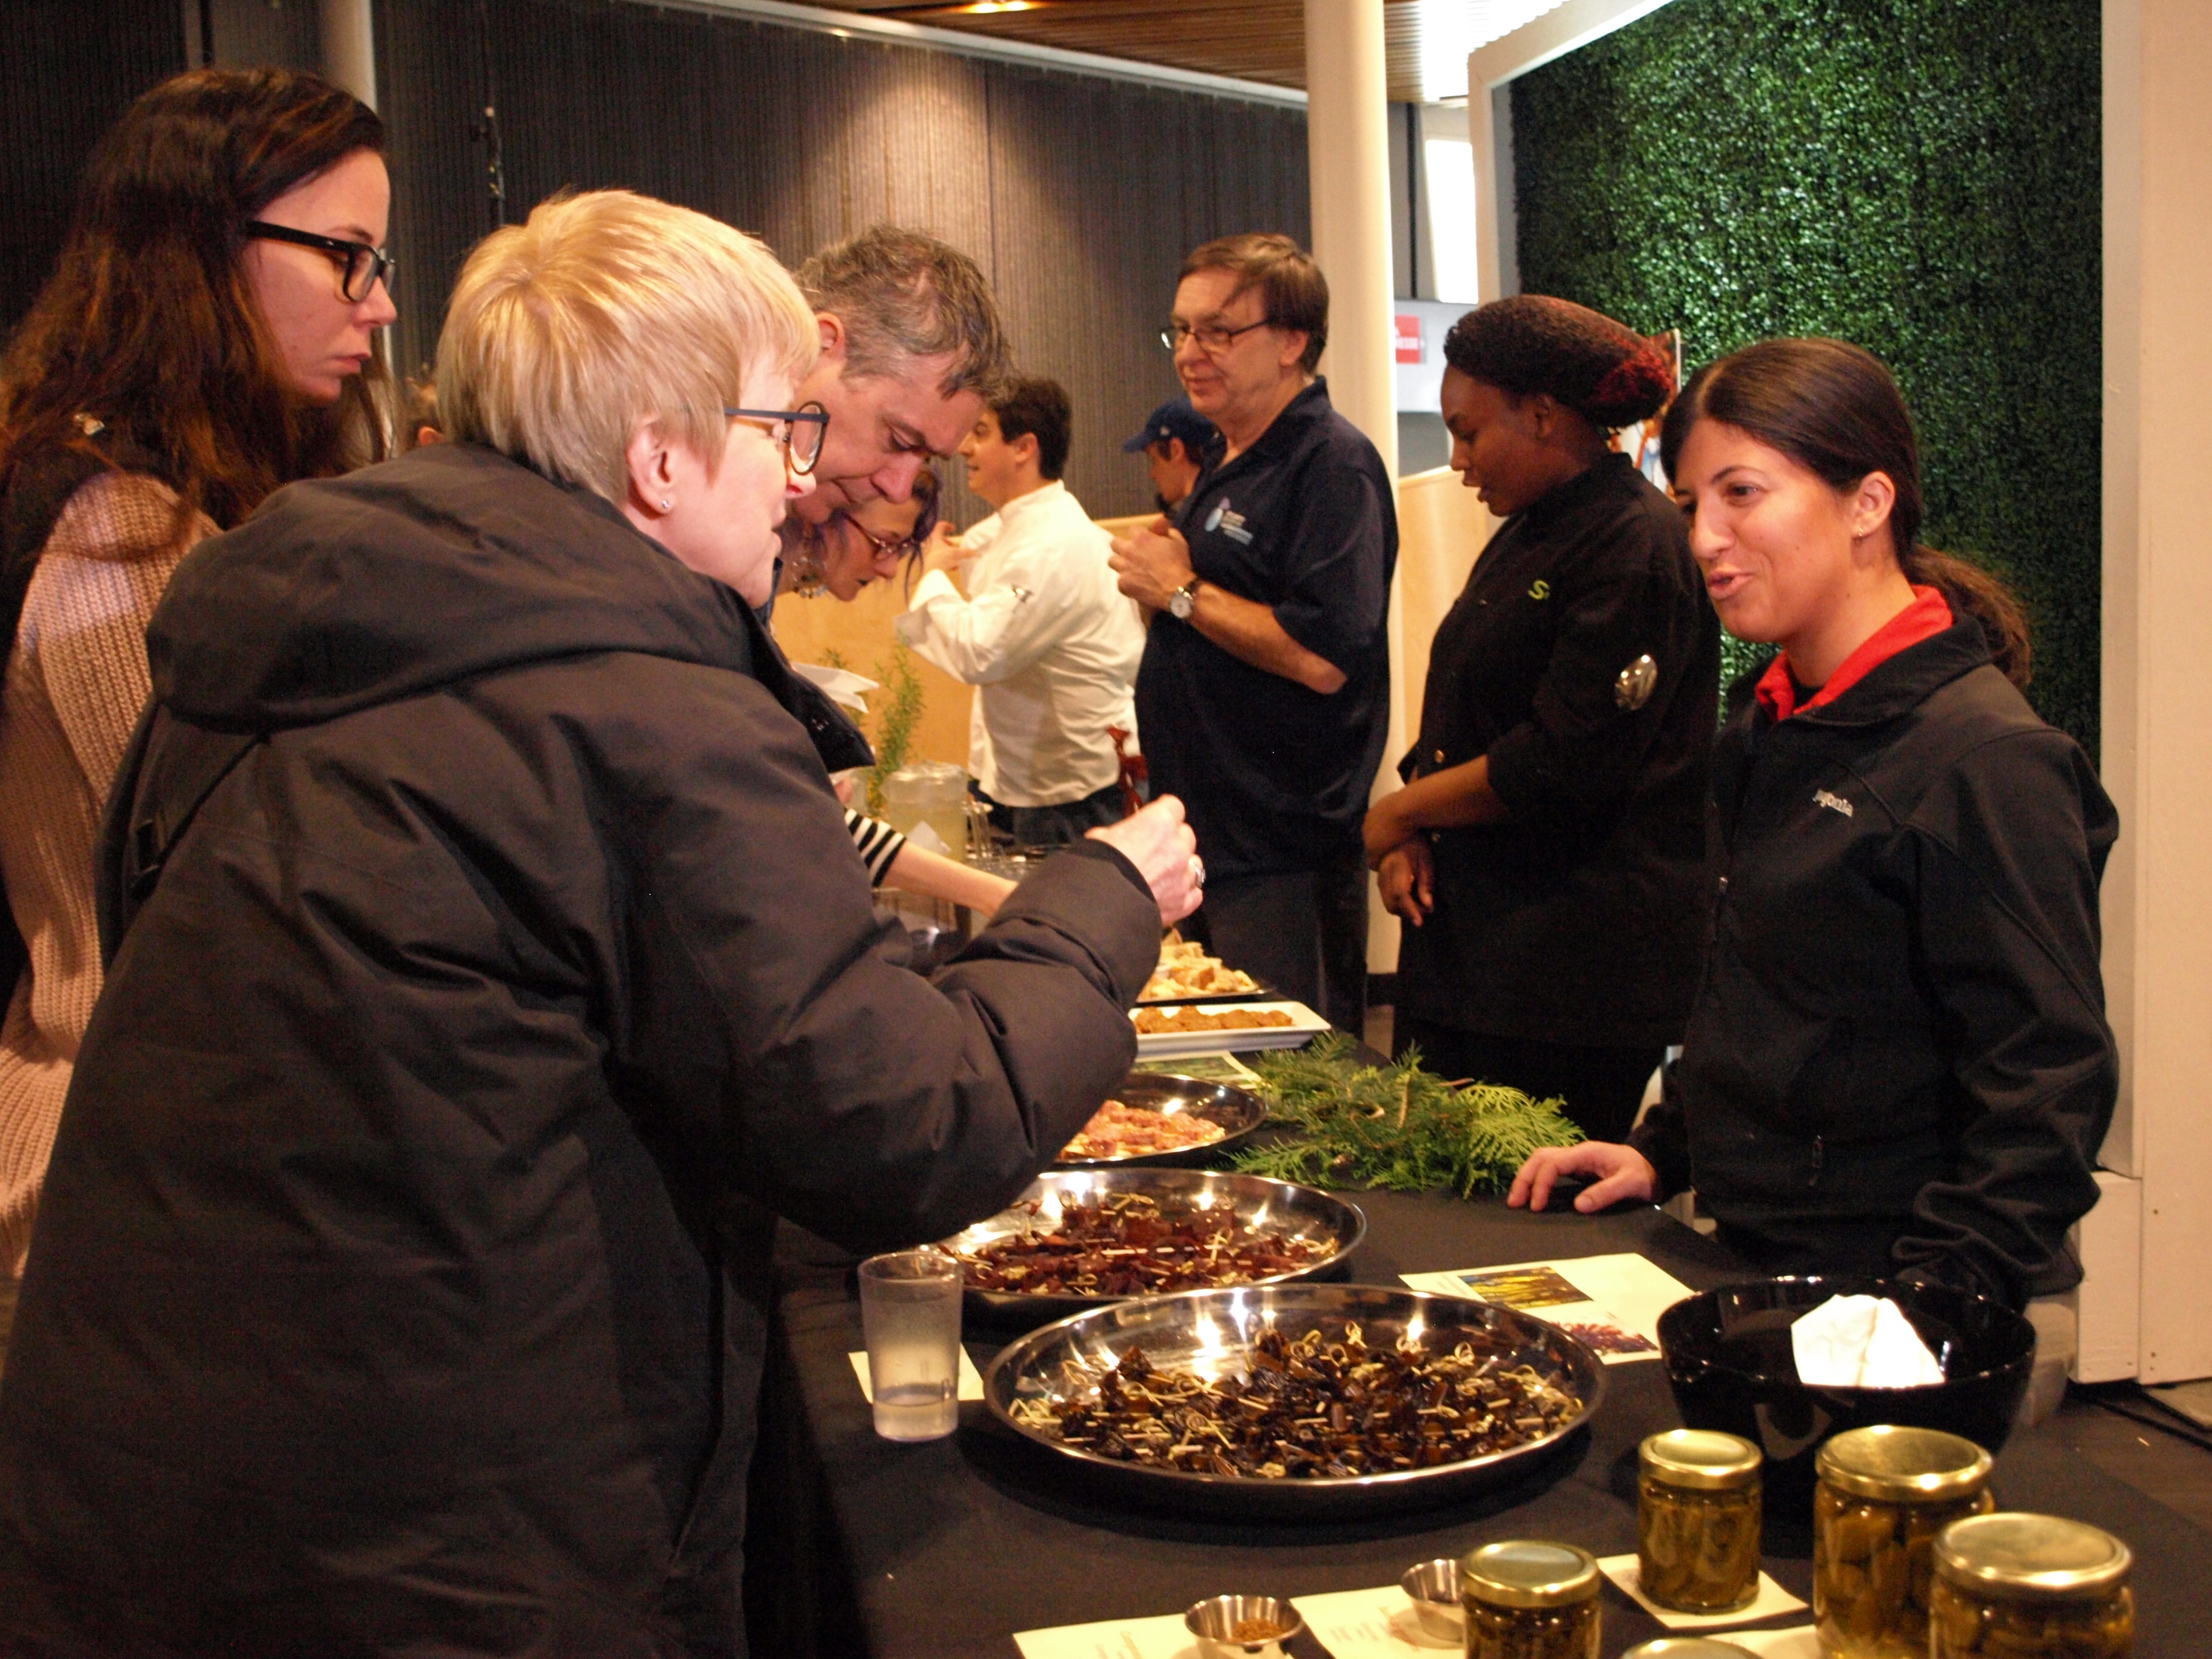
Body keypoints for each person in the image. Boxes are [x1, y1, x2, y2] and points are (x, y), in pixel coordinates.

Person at [0, 188, 1201, 1654]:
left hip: (147, 1492)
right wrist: (1102, 900)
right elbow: (907, 1123)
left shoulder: (275, 639)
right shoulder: (647, 703)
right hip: (452, 1535)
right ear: (656, 458)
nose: (795, 479)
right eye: (779, 431)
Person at [1511, 337, 2117, 1319]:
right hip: (1753, 1261)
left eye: (1740, 493)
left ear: (1867, 503)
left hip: (1892, 1304)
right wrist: (1661, 1151)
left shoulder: (1985, 760)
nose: (1704, 537)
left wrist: (1932, 1302)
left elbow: (2045, 1083)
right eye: (1689, 503)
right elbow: (1764, 993)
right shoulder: (1767, 717)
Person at [0, 67, 392, 1378]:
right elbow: (234, 920)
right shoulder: (119, 529)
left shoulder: (178, 501)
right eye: (345, 258)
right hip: (120, 1195)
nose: (379, 303)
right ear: (204, 250)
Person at [1363, 297, 1718, 1142]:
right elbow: (1471, 709)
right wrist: (1416, 826)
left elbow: (1561, 761)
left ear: (1545, 416)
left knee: (1522, 1240)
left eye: (1470, 432)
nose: (1456, 459)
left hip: (1566, 981)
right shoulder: (1533, 528)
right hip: (1480, 956)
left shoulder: (1634, 544)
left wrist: (1397, 813)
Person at [1110, 233, 1396, 1032]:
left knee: (1297, 1090)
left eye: (1220, 332)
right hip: (1209, 836)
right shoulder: (1232, 462)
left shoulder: (1332, 465)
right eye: (1183, 331)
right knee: (1228, 1061)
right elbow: (1202, 625)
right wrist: (1165, 591)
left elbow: (1325, 658)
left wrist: (1182, 592)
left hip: (1280, 851)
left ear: (1293, 341)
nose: (1192, 354)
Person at [898, 376, 1144, 846]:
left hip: (1077, 789)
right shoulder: (1009, 530)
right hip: (1027, 779)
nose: (965, 447)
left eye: (982, 432)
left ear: (1024, 448)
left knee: (1077, 917)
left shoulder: (1052, 544)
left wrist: (931, 574)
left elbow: (979, 651)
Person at [1121, 395, 1218, 512]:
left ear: (1176, 450)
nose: (1152, 474)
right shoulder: (1221, 505)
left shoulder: (1197, 524)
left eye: (1154, 460)